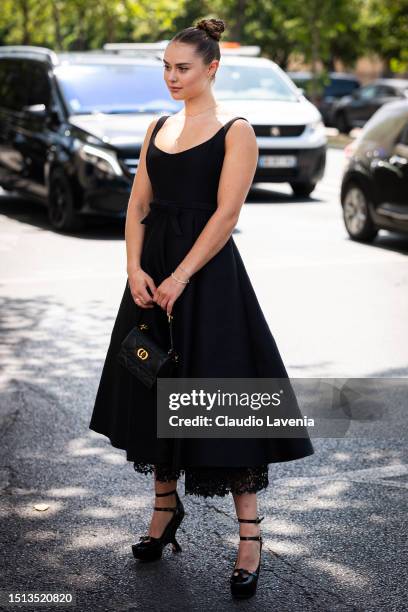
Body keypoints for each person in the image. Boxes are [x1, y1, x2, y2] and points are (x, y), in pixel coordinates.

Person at [89, 17, 315, 599]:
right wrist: (134, 270)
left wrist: (181, 276)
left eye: (182, 68)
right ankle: (164, 513)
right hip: (150, 281)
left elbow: (226, 216)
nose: (171, 77)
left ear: (212, 68)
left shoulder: (236, 131)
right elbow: (138, 202)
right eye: (165, 67)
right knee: (155, 391)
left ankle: (250, 540)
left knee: (218, 401)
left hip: (206, 282)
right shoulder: (157, 127)